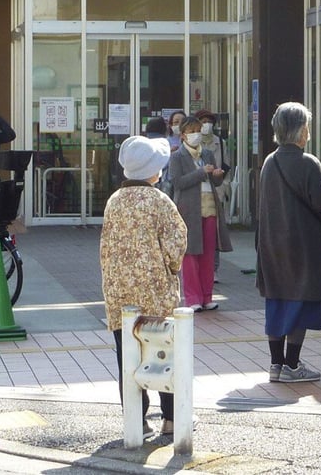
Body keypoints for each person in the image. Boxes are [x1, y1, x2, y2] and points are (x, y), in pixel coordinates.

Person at [100, 135, 187, 436]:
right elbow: (176, 243)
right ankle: (172, 419)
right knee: (163, 355)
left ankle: (136, 421)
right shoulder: (159, 201)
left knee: (128, 357)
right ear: (153, 171)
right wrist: (171, 269)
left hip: (119, 296)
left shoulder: (114, 201)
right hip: (155, 294)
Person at [256, 102, 321, 383]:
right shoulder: (308, 163)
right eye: (307, 126)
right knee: (300, 301)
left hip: (271, 243)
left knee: (276, 301)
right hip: (302, 244)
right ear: (301, 130)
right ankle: (292, 365)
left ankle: (276, 364)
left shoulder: (269, 161)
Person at [168, 115, 232, 311]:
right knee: (190, 255)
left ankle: (207, 296)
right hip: (189, 210)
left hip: (210, 208)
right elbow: (177, 182)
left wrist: (217, 176)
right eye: (191, 131)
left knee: (207, 254)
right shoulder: (177, 156)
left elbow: (214, 182)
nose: (196, 134)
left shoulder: (207, 154)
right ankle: (192, 298)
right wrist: (202, 172)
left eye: (198, 130)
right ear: (183, 136)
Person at [195, 108, 232, 280]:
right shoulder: (193, 143)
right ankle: (199, 267)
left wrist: (224, 186)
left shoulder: (220, 142)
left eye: (209, 122)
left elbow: (226, 166)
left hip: (215, 191)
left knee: (214, 232)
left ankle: (213, 268)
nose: (206, 125)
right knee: (199, 232)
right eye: (203, 122)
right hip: (197, 193)